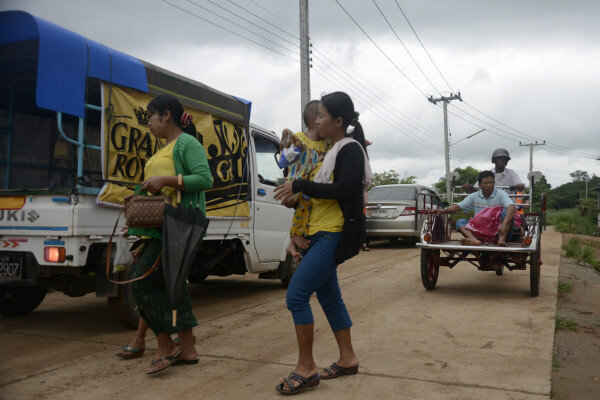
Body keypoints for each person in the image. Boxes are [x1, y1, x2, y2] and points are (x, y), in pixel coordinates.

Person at [273, 91, 372, 395]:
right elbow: (320, 193)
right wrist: (295, 198)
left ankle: (306, 368)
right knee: (330, 299)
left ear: (338, 122)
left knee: (297, 295)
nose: (317, 120)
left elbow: (343, 190)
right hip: (317, 233)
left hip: (333, 234)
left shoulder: (350, 149)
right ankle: (347, 358)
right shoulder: (331, 150)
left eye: (322, 116)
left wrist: (300, 185)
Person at [128, 94, 212, 374]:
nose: (149, 123)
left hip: (179, 225)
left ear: (167, 115)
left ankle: (165, 343)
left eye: (151, 116)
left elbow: (204, 179)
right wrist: (145, 239)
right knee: (173, 287)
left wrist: (164, 179)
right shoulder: (164, 148)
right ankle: (188, 349)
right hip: (160, 229)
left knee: (141, 284)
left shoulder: (187, 143)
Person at [279, 100, 330, 261]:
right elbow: (284, 158)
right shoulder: (299, 138)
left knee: (307, 210)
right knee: (304, 206)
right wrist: (284, 138)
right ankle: (294, 237)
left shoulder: (325, 144)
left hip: (311, 186)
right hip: (296, 184)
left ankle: (292, 244)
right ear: (317, 120)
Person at [436, 170, 516, 247]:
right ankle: (473, 239)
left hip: (498, 232)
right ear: (480, 185)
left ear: (494, 183)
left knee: (507, 211)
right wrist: (443, 210)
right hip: (478, 232)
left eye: (490, 182)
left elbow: (512, 206)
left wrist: (504, 224)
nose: (488, 185)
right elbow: (458, 207)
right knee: (460, 222)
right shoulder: (474, 196)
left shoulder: (500, 193)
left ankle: (501, 240)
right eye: (485, 183)